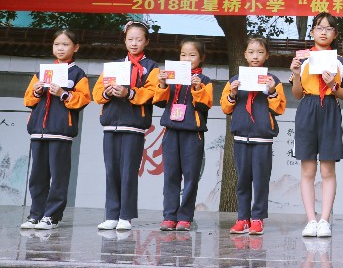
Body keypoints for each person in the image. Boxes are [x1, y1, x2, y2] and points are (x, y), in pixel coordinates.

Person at [290, 12, 343, 238]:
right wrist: (296, 75)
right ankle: (311, 220)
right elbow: (297, 94)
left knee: (328, 169)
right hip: (307, 108)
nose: (323, 32)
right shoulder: (303, 59)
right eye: (319, 28)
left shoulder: (340, 61)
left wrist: (333, 85)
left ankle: (325, 220)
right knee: (307, 169)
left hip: (330, 108)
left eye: (328, 28)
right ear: (312, 32)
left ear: (335, 33)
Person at [21, 29, 91, 230]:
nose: (60, 48)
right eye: (57, 44)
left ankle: (51, 216)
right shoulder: (41, 72)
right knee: (37, 176)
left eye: (65, 44)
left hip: (61, 132)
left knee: (58, 176)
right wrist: (37, 90)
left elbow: (83, 99)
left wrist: (63, 93)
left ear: (75, 47)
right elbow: (28, 99)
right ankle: (36, 214)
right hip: (38, 131)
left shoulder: (78, 73)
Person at [93, 21, 159, 231]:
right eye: (130, 39)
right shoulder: (114, 66)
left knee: (128, 171)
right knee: (111, 170)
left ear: (146, 41)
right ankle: (111, 214)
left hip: (134, 126)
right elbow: (96, 94)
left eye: (139, 39)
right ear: (124, 41)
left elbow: (152, 93)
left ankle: (125, 216)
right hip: (111, 125)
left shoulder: (152, 67)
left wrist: (129, 93)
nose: (134, 43)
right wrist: (108, 93)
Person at [221, 36, 286, 236]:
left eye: (259, 52)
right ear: (245, 55)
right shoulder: (234, 80)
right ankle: (242, 218)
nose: (255, 56)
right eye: (251, 52)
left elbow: (279, 108)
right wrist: (232, 93)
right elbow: (226, 107)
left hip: (262, 138)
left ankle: (257, 218)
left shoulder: (273, 80)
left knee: (260, 180)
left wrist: (272, 91)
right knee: (242, 180)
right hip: (241, 137)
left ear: (266, 55)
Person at [154, 38, 214, 231]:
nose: (187, 58)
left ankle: (185, 217)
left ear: (201, 58)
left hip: (192, 133)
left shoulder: (205, 81)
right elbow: (160, 103)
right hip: (171, 131)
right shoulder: (172, 77)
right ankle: (169, 216)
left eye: (192, 55)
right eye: (183, 54)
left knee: (190, 176)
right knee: (171, 175)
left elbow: (205, 106)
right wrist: (162, 84)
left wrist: (197, 88)